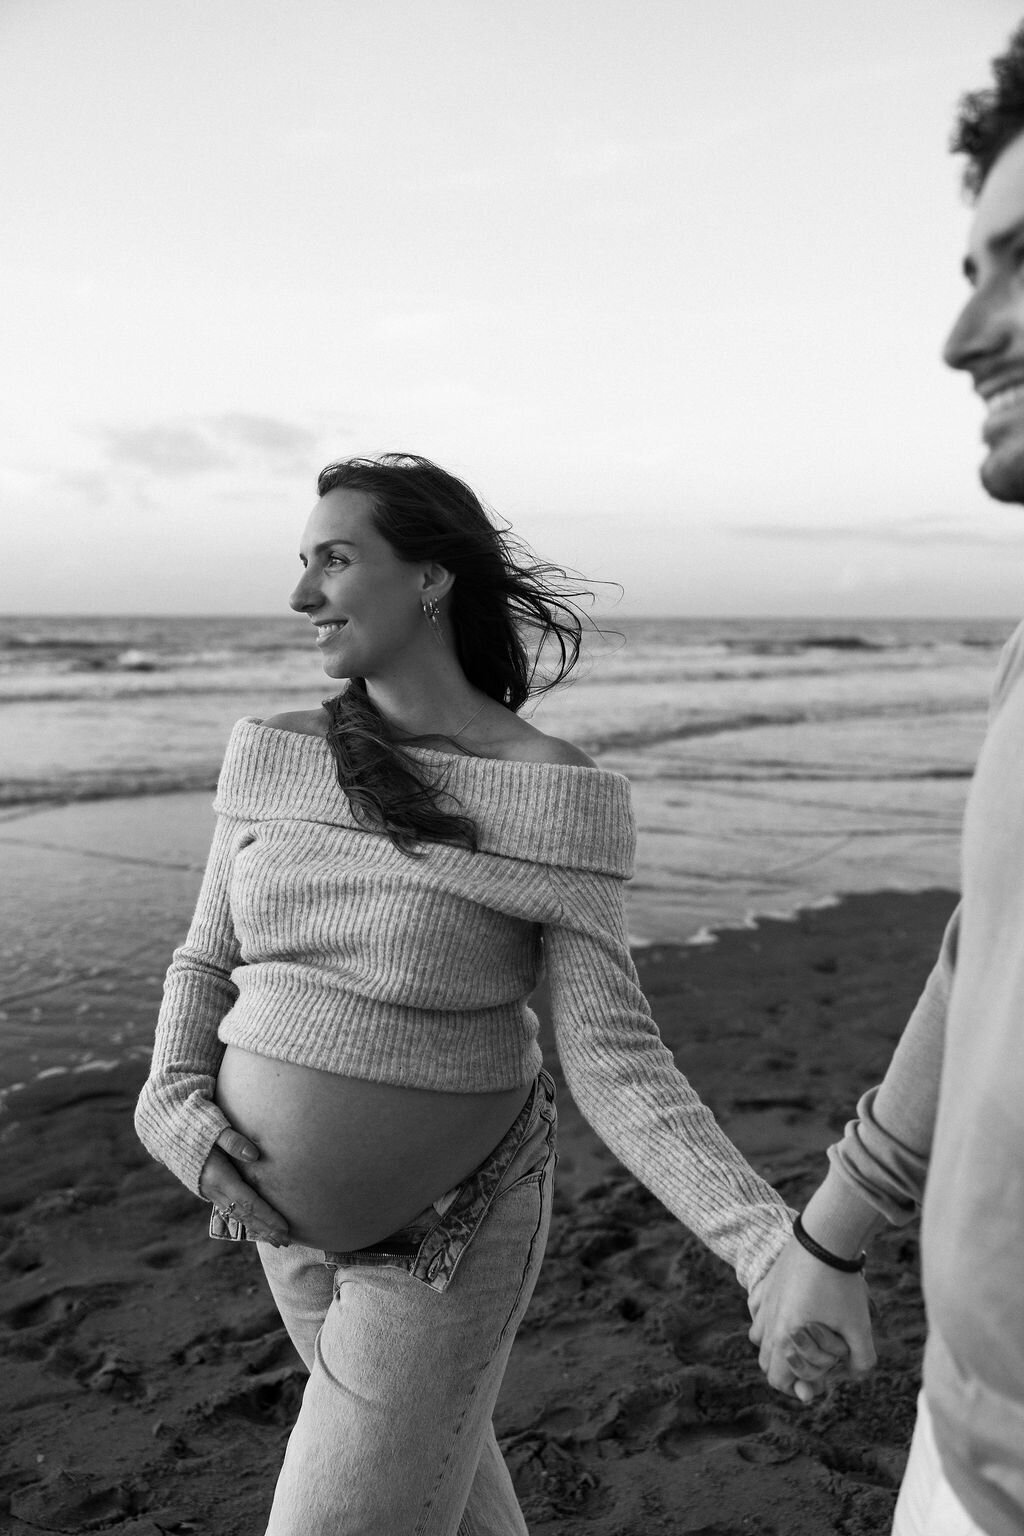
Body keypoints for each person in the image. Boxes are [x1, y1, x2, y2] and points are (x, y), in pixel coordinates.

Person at [135, 452, 798, 1536]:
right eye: (302, 564)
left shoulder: (552, 791)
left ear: (430, 579)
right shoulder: (273, 752)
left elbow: (613, 1059)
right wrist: (171, 1107)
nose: (301, 597)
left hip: (447, 1237)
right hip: (269, 1229)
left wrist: (761, 1240)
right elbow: (204, 958)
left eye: (335, 561)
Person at [748, 24, 1024, 1536]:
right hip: (959, 1446)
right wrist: (838, 1232)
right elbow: (989, 951)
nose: (964, 333)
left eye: (1023, 259)